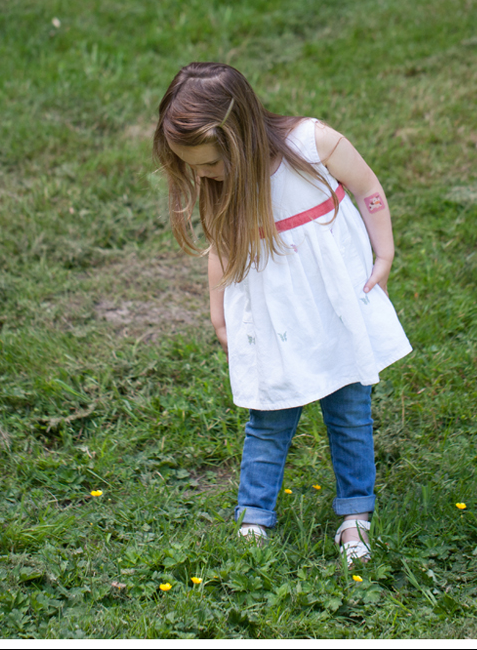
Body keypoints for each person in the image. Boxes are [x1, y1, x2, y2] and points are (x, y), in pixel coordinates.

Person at [152, 62, 412, 566]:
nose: (202, 175)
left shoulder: (313, 144)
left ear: (239, 135)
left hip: (334, 309)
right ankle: (254, 518)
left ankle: (355, 515)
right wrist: (218, 314)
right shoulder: (224, 180)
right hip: (275, 317)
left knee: (350, 413)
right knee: (268, 417)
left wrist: (384, 254)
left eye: (208, 164)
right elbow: (221, 248)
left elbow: (368, 188)